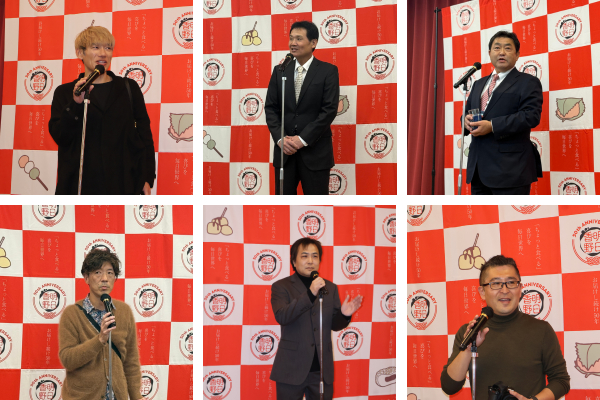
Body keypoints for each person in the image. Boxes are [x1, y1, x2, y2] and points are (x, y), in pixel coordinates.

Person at [441, 255, 570, 400]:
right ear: (482, 292)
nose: (504, 290)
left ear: (520, 288)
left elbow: (561, 380)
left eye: (511, 282)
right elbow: (449, 387)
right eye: (496, 283)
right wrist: (468, 349)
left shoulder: (541, 330)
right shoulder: (470, 332)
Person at [49, 26, 155, 195]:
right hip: (79, 184)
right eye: (96, 47)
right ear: (80, 53)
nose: (103, 53)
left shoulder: (128, 88)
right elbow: (60, 136)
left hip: (124, 182)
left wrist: (147, 176)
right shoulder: (65, 92)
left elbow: (144, 134)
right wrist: (75, 104)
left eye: (108, 48)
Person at [270, 238, 363, 399]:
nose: (310, 261)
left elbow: (334, 325)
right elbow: (282, 316)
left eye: (315, 256)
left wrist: (344, 315)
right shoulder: (281, 287)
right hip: (291, 368)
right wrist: (310, 294)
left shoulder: (330, 288)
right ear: (294, 261)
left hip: (321, 370)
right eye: (304, 256)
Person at [461, 31, 543, 195]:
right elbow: (467, 112)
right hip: (478, 170)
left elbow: (531, 115)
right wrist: (465, 121)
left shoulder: (528, 82)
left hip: (510, 170)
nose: (502, 52)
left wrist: (492, 126)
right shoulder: (478, 84)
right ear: (490, 53)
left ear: (517, 54)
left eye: (508, 48)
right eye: (497, 48)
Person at [265, 21, 339, 195]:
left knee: (316, 205)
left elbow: (329, 110)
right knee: (283, 205)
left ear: (313, 43)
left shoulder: (328, 71)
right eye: (291, 38)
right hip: (285, 153)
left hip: (315, 152)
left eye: (299, 39)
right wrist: (280, 139)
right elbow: (271, 108)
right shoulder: (280, 71)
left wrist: (302, 139)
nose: (293, 43)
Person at [58, 249, 141, 400]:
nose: (104, 279)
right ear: (86, 278)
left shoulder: (124, 311)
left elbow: (131, 361)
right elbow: (68, 360)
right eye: (98, 272)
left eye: (110, 273)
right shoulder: (71, 314)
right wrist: (100, 340)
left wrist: (136, 396)